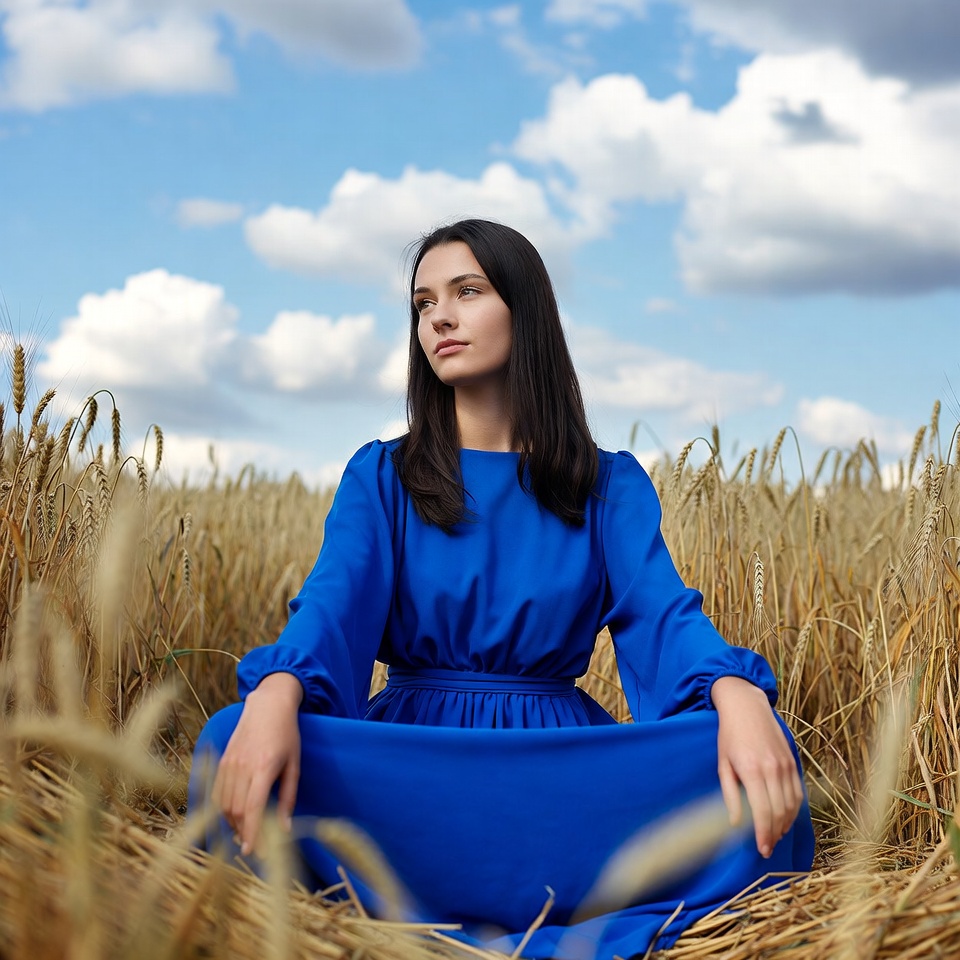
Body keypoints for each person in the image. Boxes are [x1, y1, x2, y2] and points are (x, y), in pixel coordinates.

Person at [190, 219, 814, 960]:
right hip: (413, 768)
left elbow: (663, 613)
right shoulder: (382, 476)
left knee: (760, 762)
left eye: (467, 291)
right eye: (423, 303)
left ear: (527, 311)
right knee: (229, 739)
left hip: (557, 774)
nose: (439, 318)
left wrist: (734, 694)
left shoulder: (607, 484)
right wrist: (277, 691)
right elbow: (332, 603)